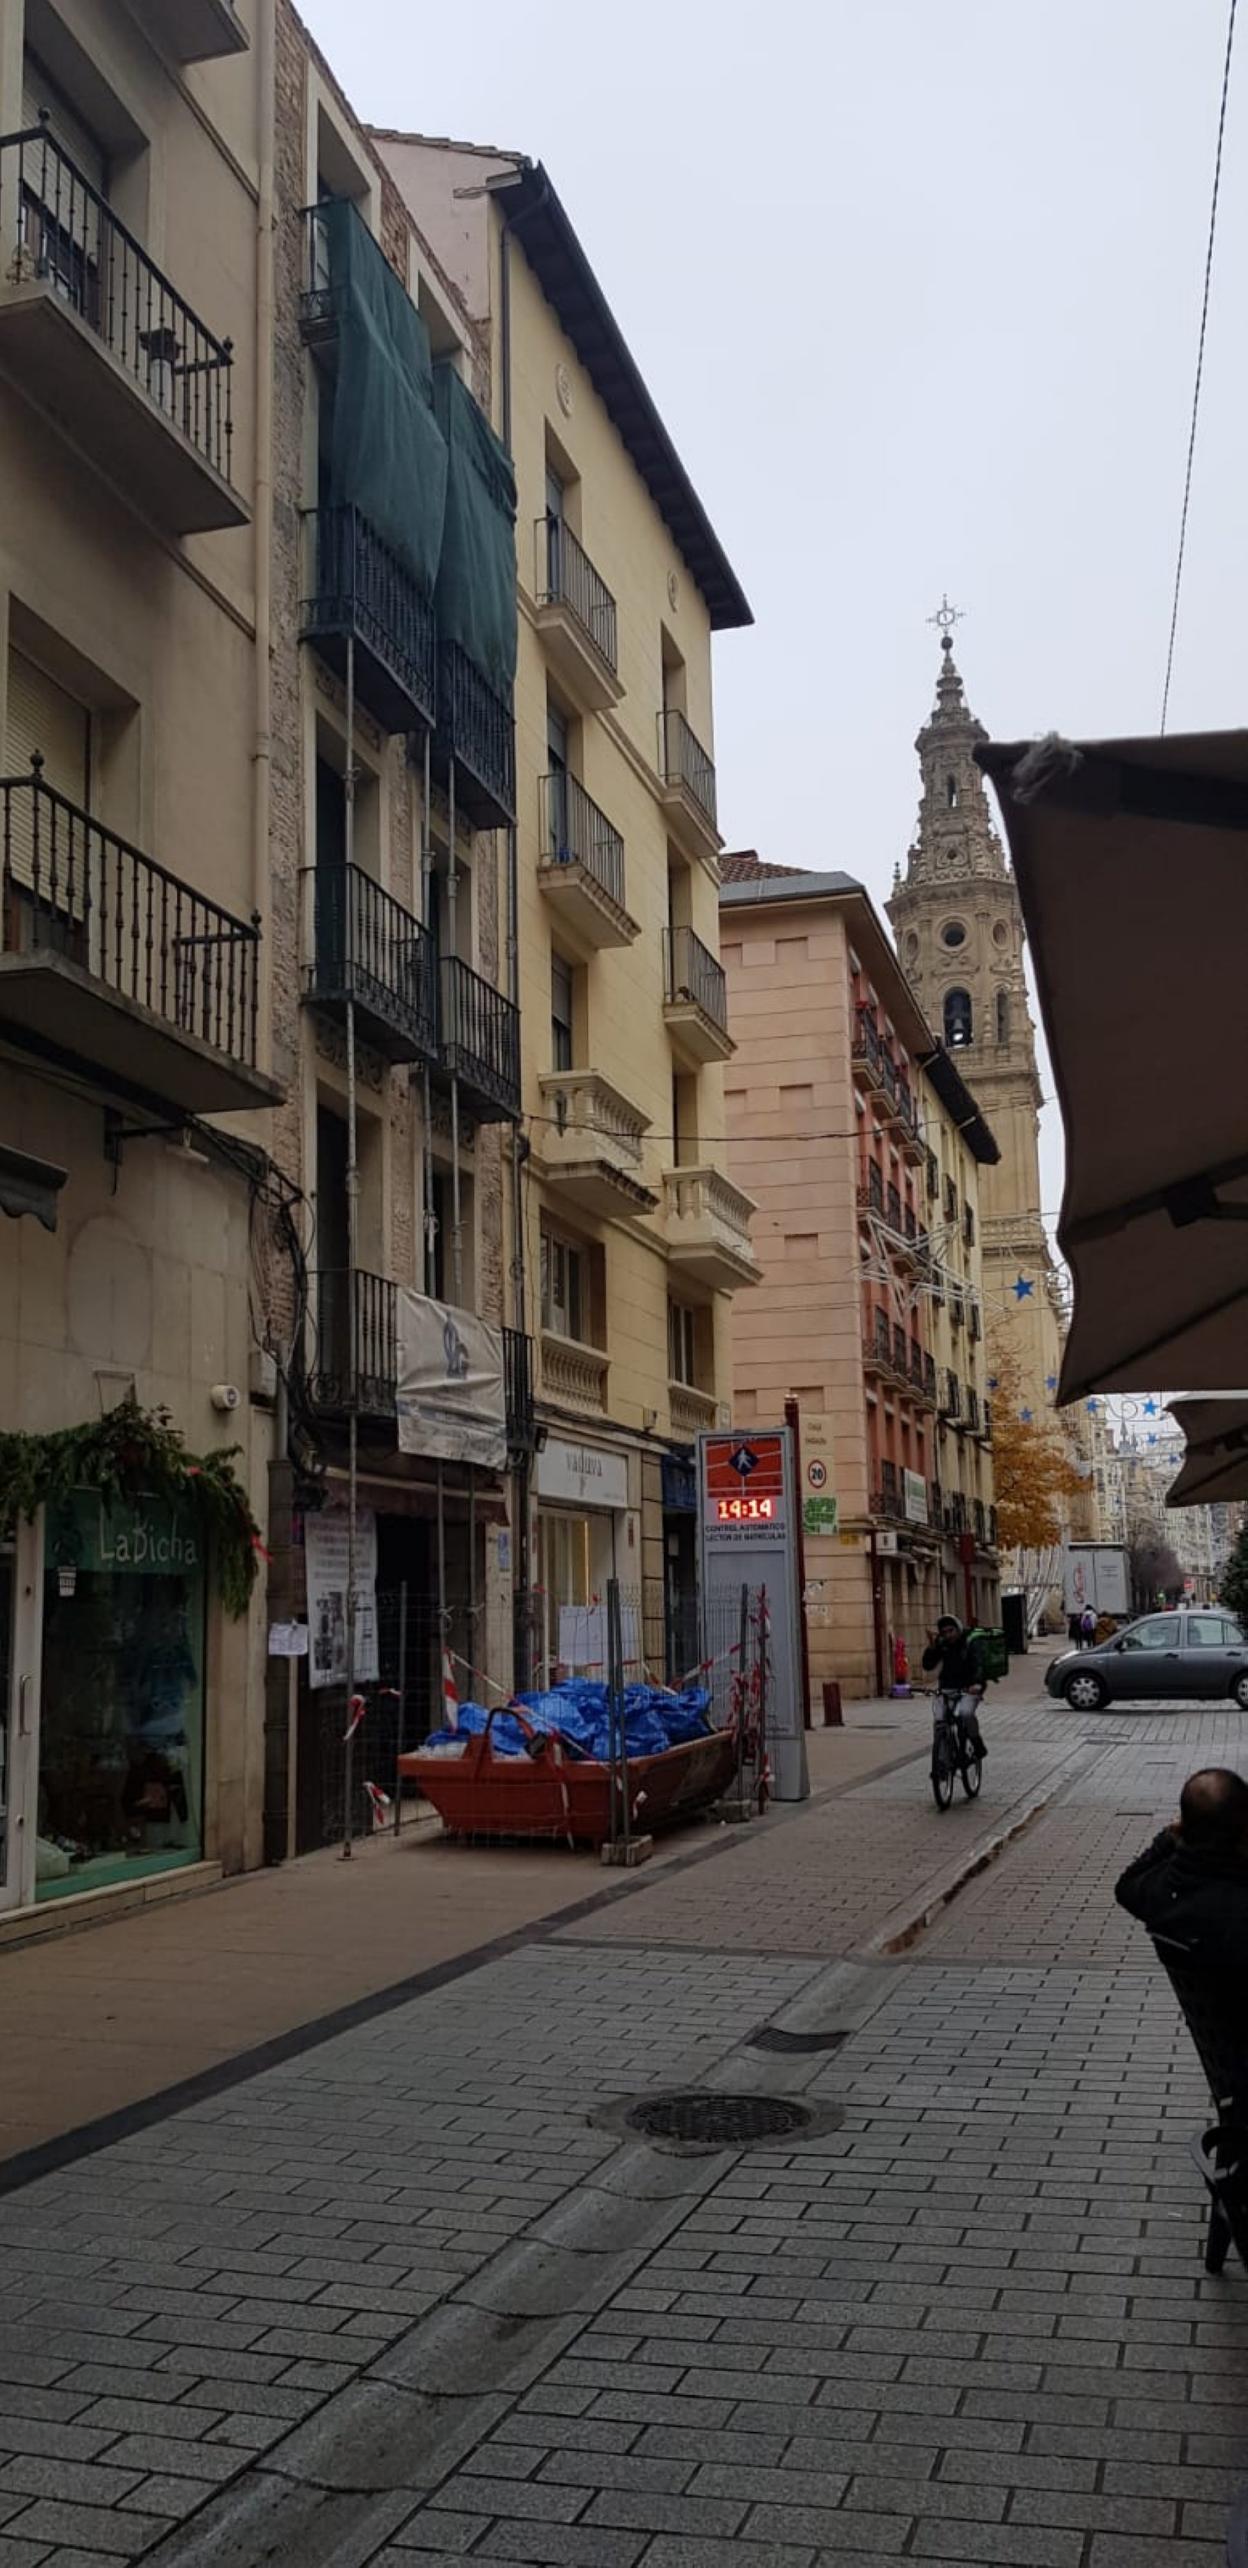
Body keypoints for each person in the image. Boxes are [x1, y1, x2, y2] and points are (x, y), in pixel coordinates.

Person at [1114, 1768, 1248, 1965]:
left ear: (1185, 1827)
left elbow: (1126, 1884)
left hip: (1198, 1995)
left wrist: (1167, 1838)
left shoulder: (1161, 1892)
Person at [921, 1614, 988, 1758]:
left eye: (951, 1631)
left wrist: (976, 1684)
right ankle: (942, 1761)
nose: (948, 1635)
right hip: (947, 1688)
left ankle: (976, 1742)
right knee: (939, 1721)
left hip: (968, 1689)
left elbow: (979, 1665)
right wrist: (932, 1648)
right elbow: (928, 1665)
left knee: (965, 1713)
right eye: (944, 1632)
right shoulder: (942, 1644)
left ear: (958, 1629)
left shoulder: (970, 1643)